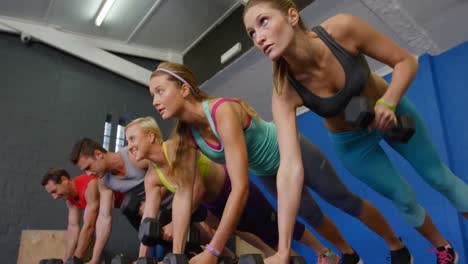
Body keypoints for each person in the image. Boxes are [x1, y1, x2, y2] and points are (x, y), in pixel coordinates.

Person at [242, 1, 468, 263]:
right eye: (252, 33)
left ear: (292, 15)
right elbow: (290, 167)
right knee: (403, 199)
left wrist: (389, 101)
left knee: (439, 178)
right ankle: (443, 248)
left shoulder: (342, 29)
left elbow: (405, 61)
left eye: (263, 22)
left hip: (392, 113)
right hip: (354, 145)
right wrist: (283, 249)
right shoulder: (284, 92)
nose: (259, 37)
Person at [147, 62, 411, 264]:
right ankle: (348, 255)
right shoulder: (186, 137)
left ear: (184, 89)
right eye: (152, 95)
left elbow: (240, 189)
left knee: (344, 201)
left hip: (291, 150)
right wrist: (179, 255)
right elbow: (183, 195)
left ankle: (396, 246)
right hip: (267, 172)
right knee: (312, 216)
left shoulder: (221, 112)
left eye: (160, 91)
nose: (155, 101)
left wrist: (214, 251)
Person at [125, 116, 341, 263]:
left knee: (272, 223)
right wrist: (141, 258)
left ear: (151, 136)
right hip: (214, 205)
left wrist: (174, 224)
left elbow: (196, 189)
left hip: (230, 186)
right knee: (253, 232)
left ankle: (324, 252)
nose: (130, 146)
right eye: (127, 142)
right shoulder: (152, 178)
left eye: (133, 138)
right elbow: (148, 225)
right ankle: (292, 259)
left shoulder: (176, 148)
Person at [69, 138, 149, 263]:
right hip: (150, 213)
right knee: (130, 206)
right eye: (85, 170)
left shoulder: (133, 155)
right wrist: (94, 259)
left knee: (132, 206)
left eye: (88, 167)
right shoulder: (104, 182)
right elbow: (104, 218)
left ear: (98, 154)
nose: (88, 174)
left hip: (170, 203)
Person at [42, 168, 121, 263]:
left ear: (64, 180)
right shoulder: (69, 199)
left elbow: (89, 226)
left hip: (135, 196)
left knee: (130, 208)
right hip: (123, 205)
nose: (54, 197)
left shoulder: (89, 186)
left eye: (55, 191)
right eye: (51, 194)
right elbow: (73, 227)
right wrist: (67, 260)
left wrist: (76, 259)